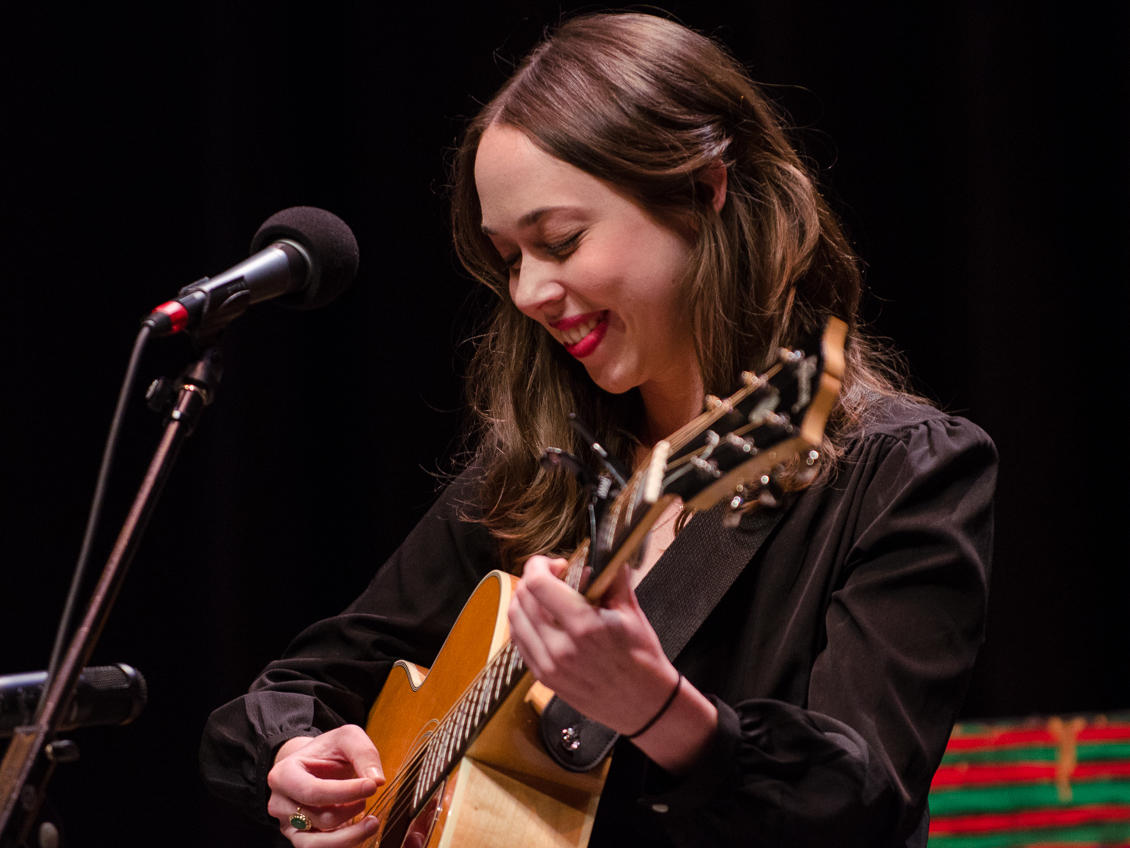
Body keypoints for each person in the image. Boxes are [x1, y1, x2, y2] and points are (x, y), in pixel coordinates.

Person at [200, 11, 996, 848]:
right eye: (510, 257)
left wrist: (661, 711)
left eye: (560, 240)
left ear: (703, 188)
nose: (529, 292)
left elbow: (863, 800)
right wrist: (295, 754)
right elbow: (293, 687)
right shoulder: (542, 473)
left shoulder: (901, 472)